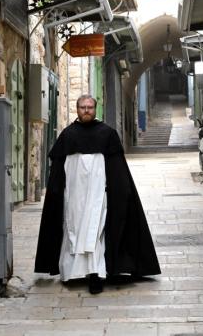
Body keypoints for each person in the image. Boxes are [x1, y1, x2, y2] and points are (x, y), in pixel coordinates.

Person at [34, 94, 161, 294]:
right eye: (83, 107)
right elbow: (59, 170)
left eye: (90, 107)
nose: (86, 110)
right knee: (73, 229)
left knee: (95, 231)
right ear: (77, 109)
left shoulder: (107, 134)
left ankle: (95, 274)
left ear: (95, 109)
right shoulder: (67, 135)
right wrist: (58, 193)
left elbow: (117, 169)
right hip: (74, 196)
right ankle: (72, 272)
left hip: (98, 193)